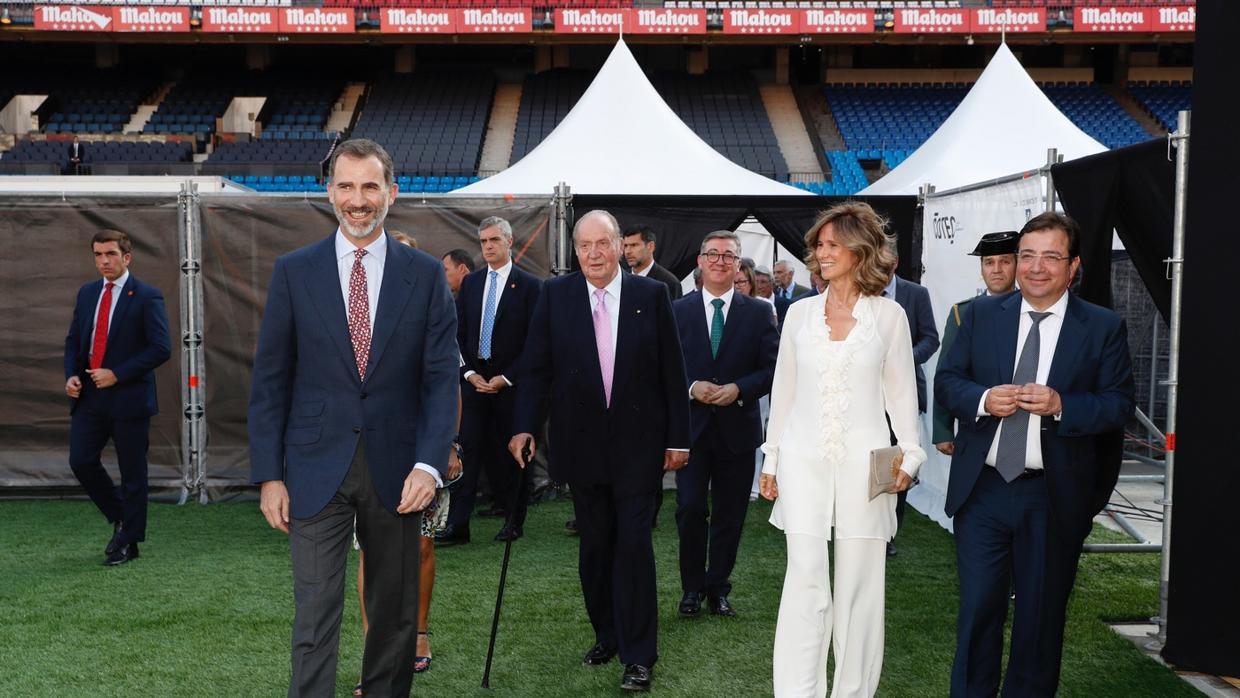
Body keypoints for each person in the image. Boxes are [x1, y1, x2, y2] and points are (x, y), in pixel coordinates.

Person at [247, 138, 459, 697]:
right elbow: (271, 379)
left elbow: (440, 381)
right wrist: (270, 474)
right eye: (346, 186)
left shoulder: (425, 274)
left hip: (400, 471)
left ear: (392, 192)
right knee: (314, 619)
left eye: (370, 186)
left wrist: (430, 465)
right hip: (314, 469)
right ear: (329, 192)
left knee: (393, 616)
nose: (358, 200)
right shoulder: (294, 272)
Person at [936, 212, 1135, 697]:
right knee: (979, 609)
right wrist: (983, 400)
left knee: (1039, 620)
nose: (1036, 267)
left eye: (1051, 256)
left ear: (1074, 267)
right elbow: (947, 382)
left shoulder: (1102, 327)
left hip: (1052, 496)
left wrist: (1062, 404)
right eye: (1028, 255)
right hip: (983, 493)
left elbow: (1118, 405)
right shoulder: (979, 315)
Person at [509, 210, 690, 692]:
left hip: (639, 448)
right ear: (576, 249)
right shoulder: (556, 295)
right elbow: (536, 369)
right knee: (595, 548)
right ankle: (606, 633)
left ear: (619, 247)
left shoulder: (651, 296)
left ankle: (638, 655)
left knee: (633, 546)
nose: (593, 253)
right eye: (584, 245)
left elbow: (673, 371)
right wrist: (524, 426)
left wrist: (678, 438)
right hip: (581, 446)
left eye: (602, 244)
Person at [758, 201, 925, 697]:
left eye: (833, 245)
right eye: (819, 245)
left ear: (861, 249)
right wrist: (770, 459)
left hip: (867, 467)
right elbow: (783, 393)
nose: (821, 253)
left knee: (859, 589)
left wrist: (911, 457)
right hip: (802, 462)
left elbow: (901, 397)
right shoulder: (798, 315)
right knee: (805, 581)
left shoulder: (889, 316)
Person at [352, 232, 462, 690]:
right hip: (367, 452)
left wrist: (449, 446)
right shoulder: (353, 314)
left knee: (420, 545)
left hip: (423, 450)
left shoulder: (429, 310)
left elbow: (447, 384)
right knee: (371, 551)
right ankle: (375, 646)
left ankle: (417, 630)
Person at [672, 231, 778, 618]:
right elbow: (662, 367)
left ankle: (717, 587)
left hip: (738, 431)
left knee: (730, 514)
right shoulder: (677, 311)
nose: (720, 261)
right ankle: (690, 587)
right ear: (700, 261)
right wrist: (690, 386)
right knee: (689, 508)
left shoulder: (758, 313)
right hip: (692, 432)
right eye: (712, 254)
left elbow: (773, 369)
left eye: (728, 256)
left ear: (738, 264)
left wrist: (739, 389)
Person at [64, 229, 171, 566]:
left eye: (110, 254)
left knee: (132, 473)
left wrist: (118, 373)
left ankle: (127, 542)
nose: (103, 261)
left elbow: (160, 348)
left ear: (127, 257)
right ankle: (123, 519)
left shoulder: (147, 296)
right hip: (90, 395)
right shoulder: (87, 293)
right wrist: (70, 374)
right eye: (97, 254)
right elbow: (73, 340)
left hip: (129, 398)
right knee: (81, 460)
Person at [440, 216, 541, 544]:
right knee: (465, 451)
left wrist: (507, 377)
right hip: (474, 383)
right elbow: (459, 332)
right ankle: (458, 525)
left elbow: (535, 342)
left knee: (511, 455)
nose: (488, 247)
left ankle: (514, 520)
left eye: (494, 240)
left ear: (509, 242)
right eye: (483, 241)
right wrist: (468, 374)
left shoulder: (530, 286)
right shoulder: (471, 283)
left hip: (511, 386)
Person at [930, 231, 1019, 455]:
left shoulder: (1031, 310)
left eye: (1005, 262)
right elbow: (946, 373)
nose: (996, 269)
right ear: (981, 268)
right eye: (989, 262)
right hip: (977, 422)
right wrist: (943, 430)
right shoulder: (964, 313)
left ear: (1017, 265)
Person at [881, 250, 940, 557]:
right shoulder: (859, 290)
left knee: (896, 465)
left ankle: (889, 532)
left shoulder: (915, 294)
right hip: (865, 394)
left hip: (903, 393)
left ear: (895, 262)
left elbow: (931, 339)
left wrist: (902, 360)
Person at [622, 224, 683, 300]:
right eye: (625, 246)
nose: (628, 251)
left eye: (634, 245)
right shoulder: (620, 279)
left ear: (650, 246)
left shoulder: (669, 283)